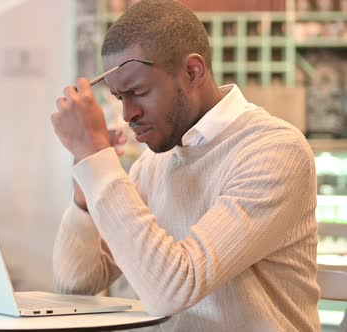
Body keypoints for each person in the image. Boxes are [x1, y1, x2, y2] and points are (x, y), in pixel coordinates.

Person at [50, 1, 320, 331]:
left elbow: (173, 291)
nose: (127, 114)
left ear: (193, 72)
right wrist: (85, 187)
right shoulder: (153, 164)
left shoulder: (273, 150)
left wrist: (97, 159)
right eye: (120, 97)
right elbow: (75, 287)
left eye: (139, 91)